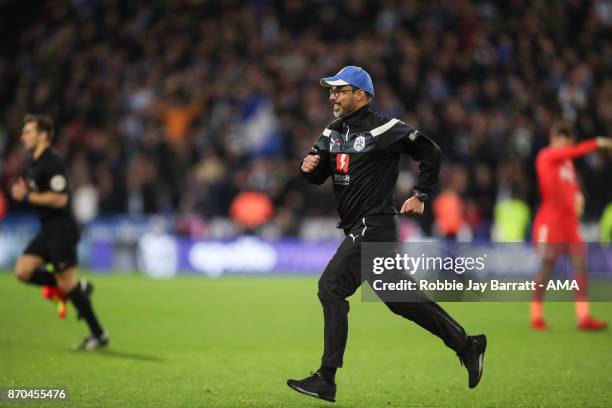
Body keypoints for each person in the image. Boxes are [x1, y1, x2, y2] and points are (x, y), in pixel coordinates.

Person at [286, 66, 486, 403]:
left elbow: (430, 152)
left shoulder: (385, 127)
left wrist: (421, 194)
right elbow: (320, 172)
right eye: (331, 91)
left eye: (340, 91)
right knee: (402, 301)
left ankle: (326, 377)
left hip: (374, 225)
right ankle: (467, 344)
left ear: (360, 95)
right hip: (362, 228)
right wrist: (308, 168)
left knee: (331, 288)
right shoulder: (332, 132)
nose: (333, 97)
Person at [10, 114, 109, 350]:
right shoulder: (33, 162)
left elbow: (60, 199)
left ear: (43, 135)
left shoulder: (52, 161)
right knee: (23, 271)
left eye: (29, 132)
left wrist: (27, 196)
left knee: (66, 286)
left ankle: (99, 334)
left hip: (62, 229)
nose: (23, 136)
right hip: (47, 229)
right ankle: (79, 289)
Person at [531, 121, 612, 331]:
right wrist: (599, 142)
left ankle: (584, 317)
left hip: (569, 225)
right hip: (551, 223)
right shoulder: (546, 156)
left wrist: (578, 197)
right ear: (554, 139)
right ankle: (536, 315)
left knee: (580, 266)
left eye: (568, 143)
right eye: (564, 142)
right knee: (547, 268)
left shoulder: (567, 164)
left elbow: (573, 187)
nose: (566, 147)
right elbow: (576, 152)